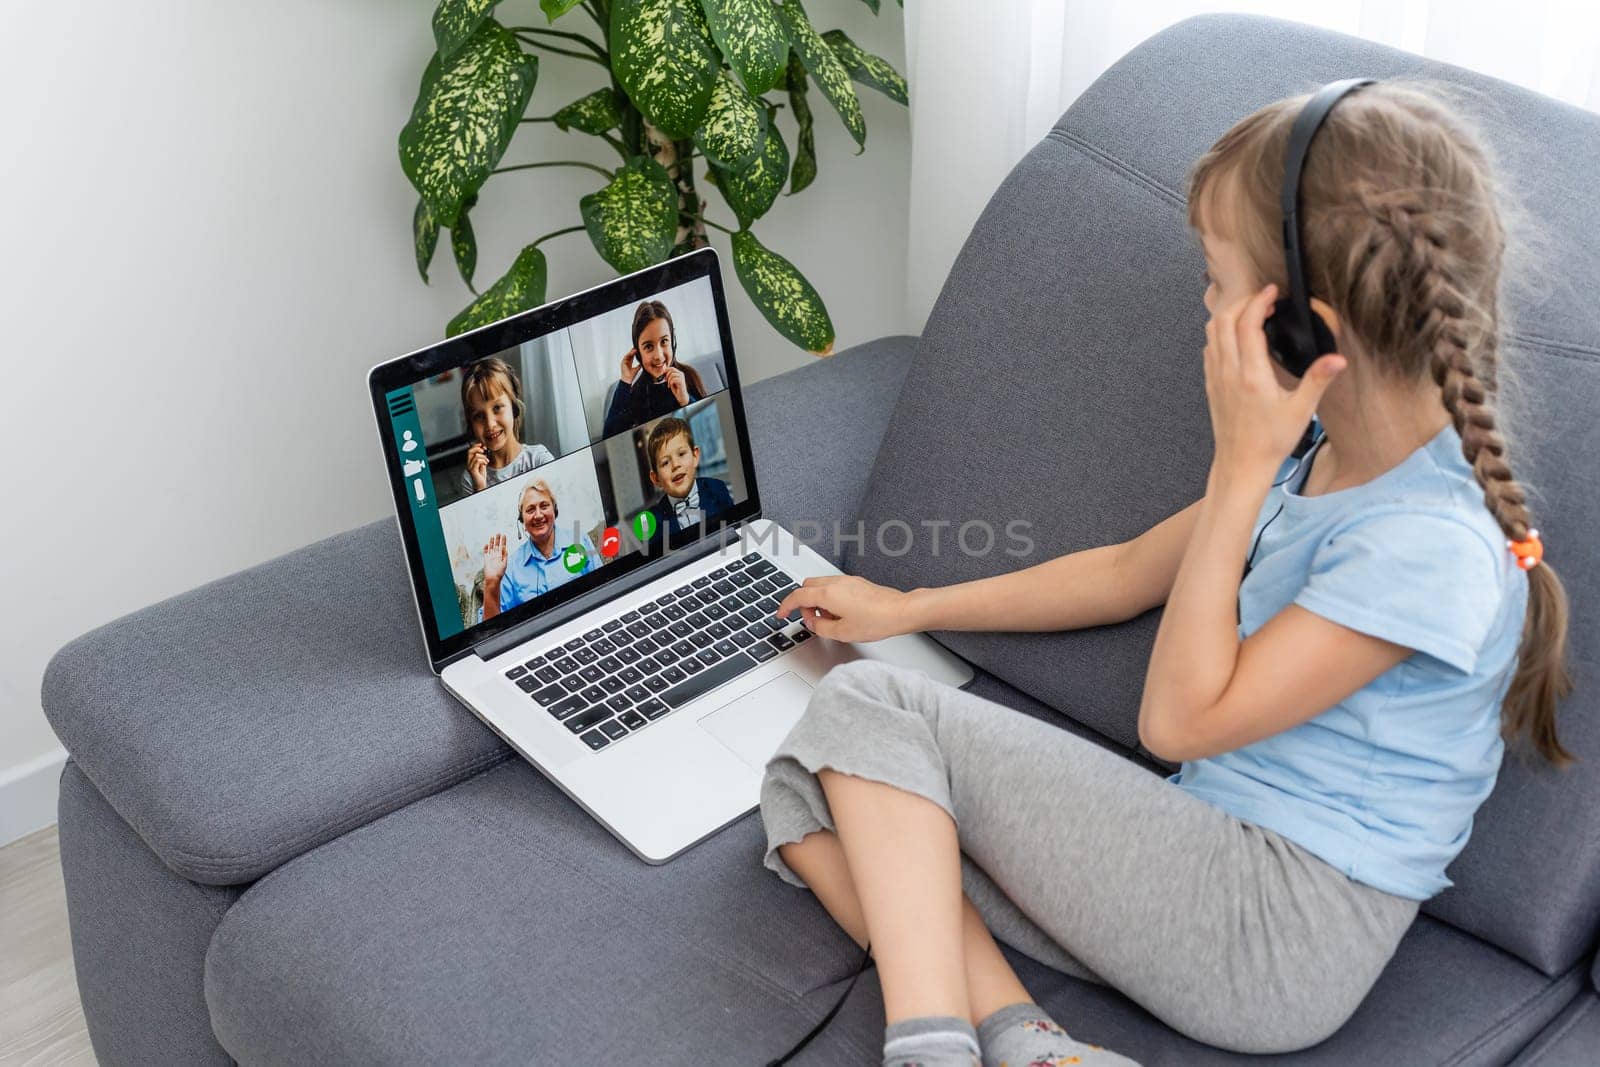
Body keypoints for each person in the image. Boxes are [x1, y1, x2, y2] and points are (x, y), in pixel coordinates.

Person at [758, 83, 1574, 1067]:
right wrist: (907, 606)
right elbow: (1124, 571)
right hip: (1200, 871)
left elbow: (1178, 722)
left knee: (865, 715)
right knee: (811, 790)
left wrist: (1236, 468)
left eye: (1215, 278)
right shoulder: (1318, 452)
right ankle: (1034, 1044)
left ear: (1305, 330)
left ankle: (924, 1046)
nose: (1203, 301)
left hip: (1271, 930)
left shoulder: (1428, 541)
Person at [481, 480, 595, 619]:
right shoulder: (510, 568)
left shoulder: (579, 541)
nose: (538, 515)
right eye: (530, 510)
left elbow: (603, 589)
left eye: (544, 506)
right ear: (521, 520)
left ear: (555, 510)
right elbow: (490, 630)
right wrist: (492, 583)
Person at [600, 300, 707, 438]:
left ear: (672, 342)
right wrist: (625, 381)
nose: (658, 355)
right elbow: (609, 437)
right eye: (649, 346)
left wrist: (686, 401)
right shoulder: (634, 395)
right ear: (638, 353)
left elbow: (705, 422)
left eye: (664, 341)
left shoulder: (690, 376)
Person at [458, 357, 554, 496]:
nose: (490, 424)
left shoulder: (539, 459)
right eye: (479, 416)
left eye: (497, 408)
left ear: (513, 407)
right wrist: (480, 489)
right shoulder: (471, 479)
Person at [643, 417, 734, 536]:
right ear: (656, 478)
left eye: (681, 454)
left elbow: (736, 528)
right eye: (665, 462)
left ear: (695, 456)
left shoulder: (717, 489)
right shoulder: (652, 523)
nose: (675, 465)